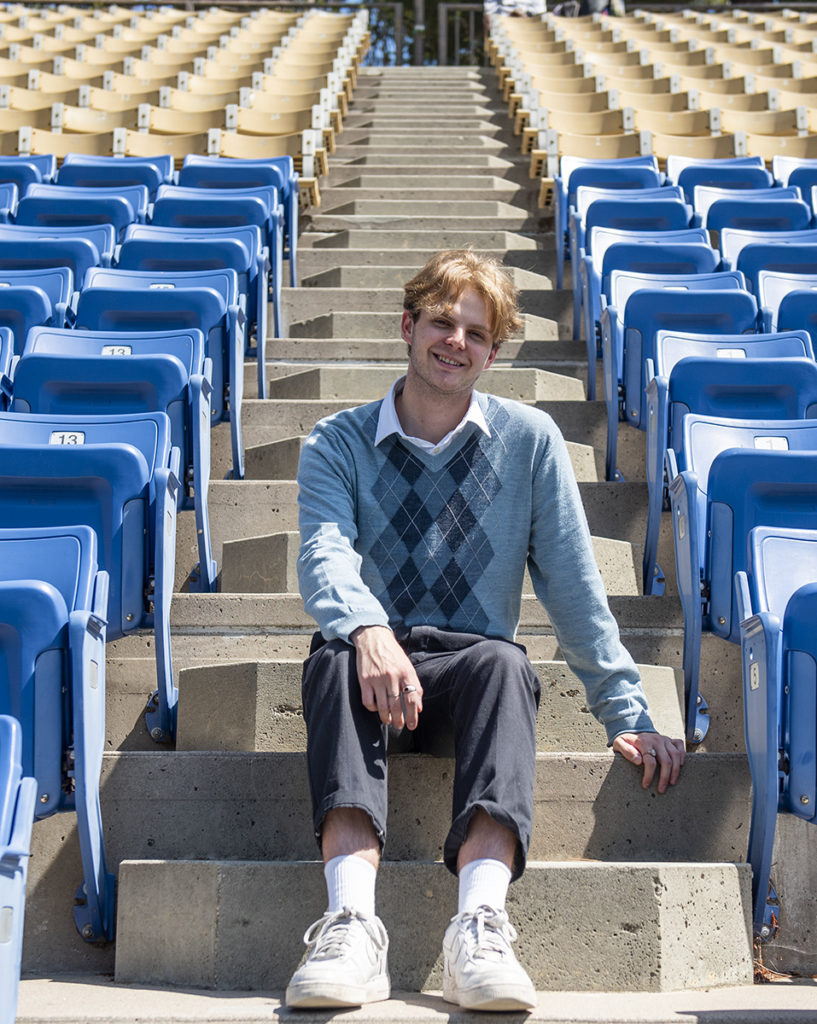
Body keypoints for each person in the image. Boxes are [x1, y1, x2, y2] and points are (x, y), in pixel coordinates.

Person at [286, 249, 685, 1012]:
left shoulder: (528, 441)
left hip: (469, 671)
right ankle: (351, 923)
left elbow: (571, 586)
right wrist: (369, 629)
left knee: (506, 661)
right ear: (407, 326)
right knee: (335, 657)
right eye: (441, 321)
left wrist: (626, 712)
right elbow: (323, 553)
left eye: (475, 332)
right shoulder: (336, 441)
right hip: (373, 667)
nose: (455, 342)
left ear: (493, 352)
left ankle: (480, 922)